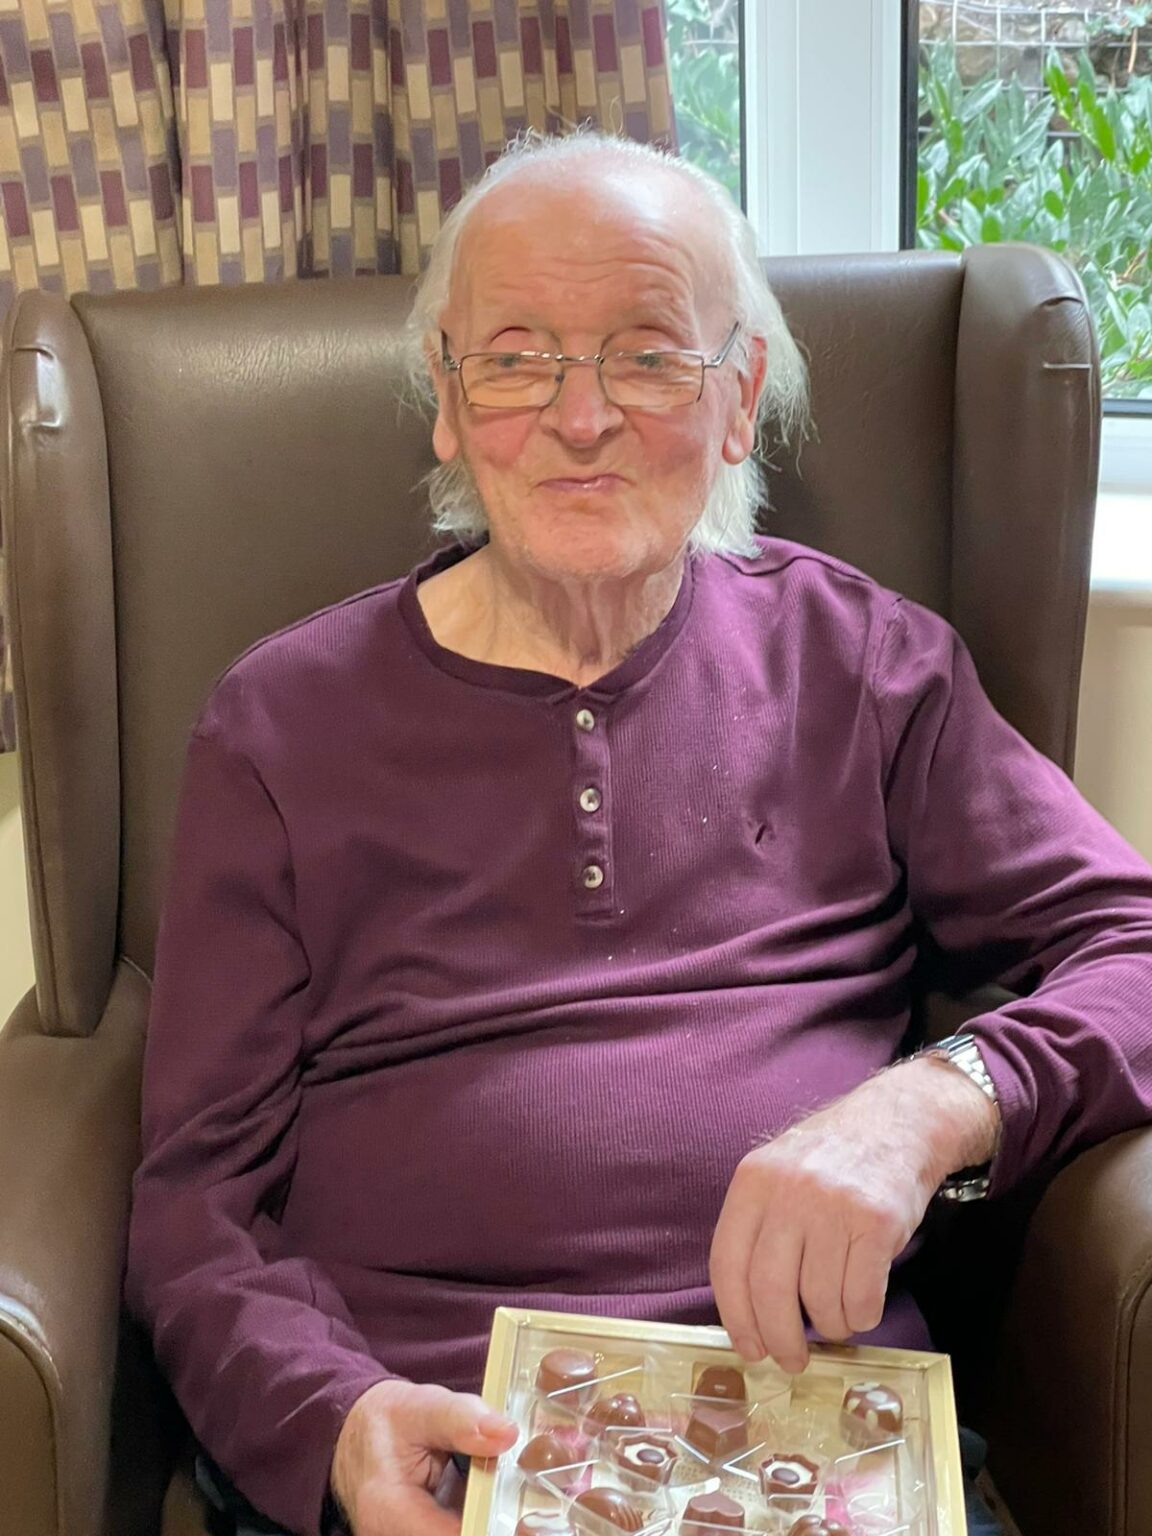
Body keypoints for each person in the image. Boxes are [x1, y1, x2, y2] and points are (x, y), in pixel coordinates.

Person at [126, 130, 1152, 1536]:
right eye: (516, 359)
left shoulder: (865, 666)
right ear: (446, 398)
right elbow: (193, 1206)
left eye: (649, 356)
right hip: (435, 1451)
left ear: (740, 399)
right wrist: (333, 1425)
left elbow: (1134, 949)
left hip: (803, 1444)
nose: (581, 416)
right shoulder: (277, 726)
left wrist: (930, 1105)